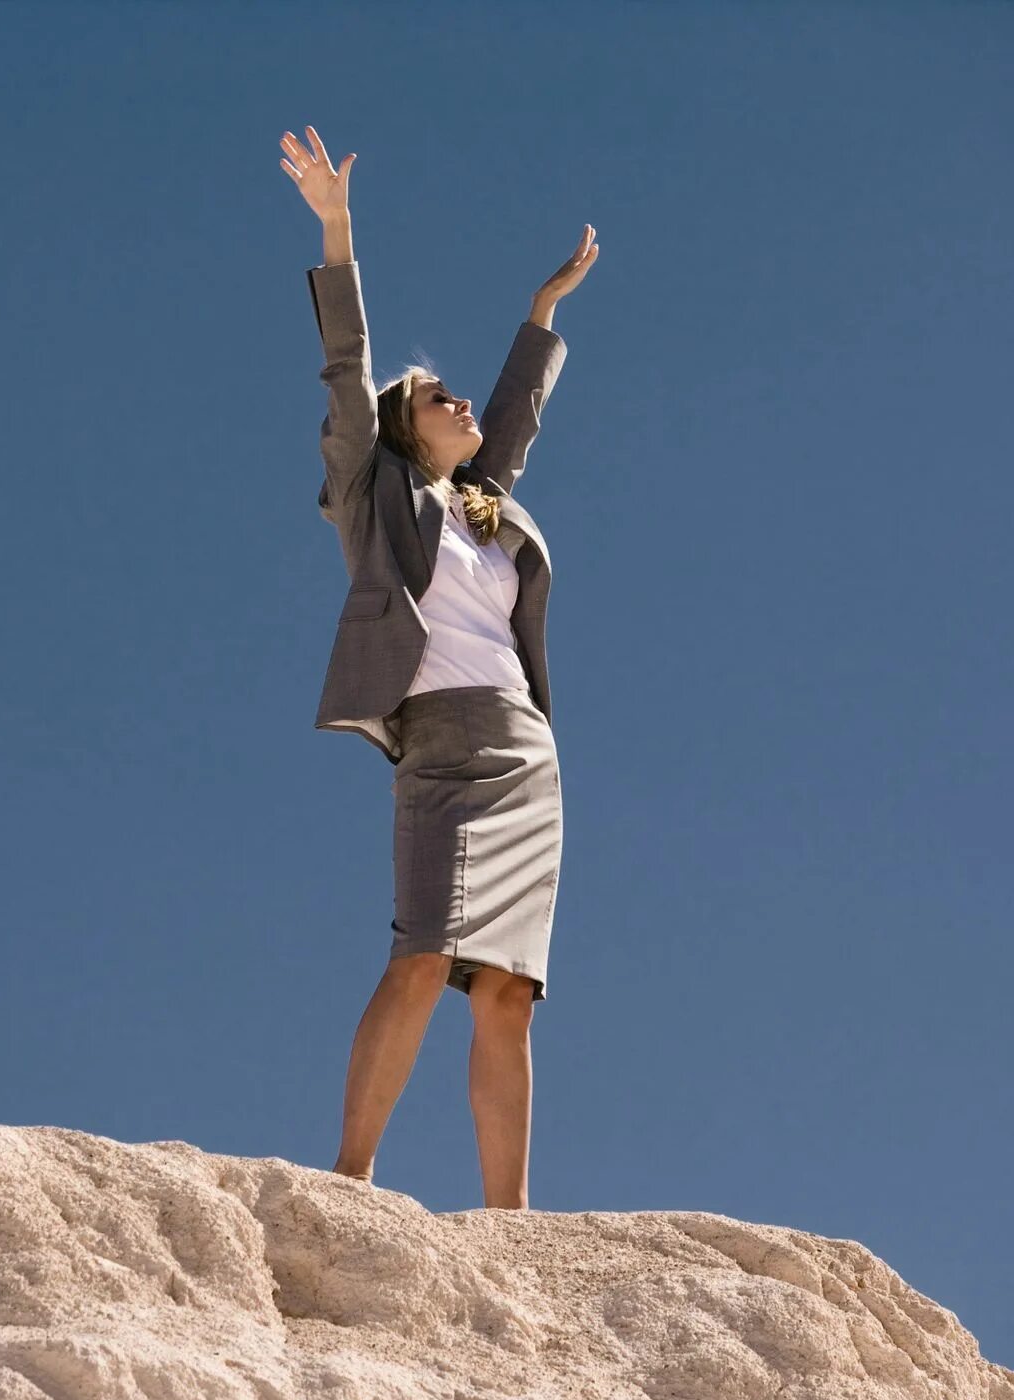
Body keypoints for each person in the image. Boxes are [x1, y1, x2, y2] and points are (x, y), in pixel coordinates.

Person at [279, 125, 598, 1209]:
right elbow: (343, 373)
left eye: (460, 398)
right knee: (420, 954)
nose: (460, 405)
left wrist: (542, 312)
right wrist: (336, 229)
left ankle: (508, 1219)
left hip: (524, 752)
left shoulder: (479, 504)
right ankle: (351, 1176)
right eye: (438, 397)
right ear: (401, 430)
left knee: (506, 991)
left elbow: (512, 422)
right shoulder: (376, 497)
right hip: (439, 738)